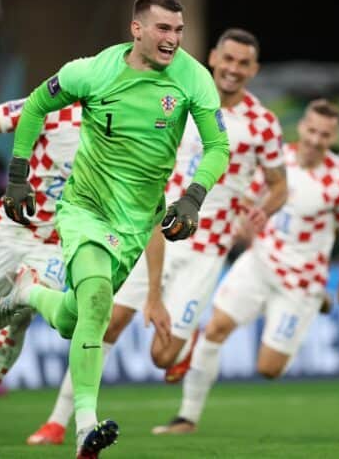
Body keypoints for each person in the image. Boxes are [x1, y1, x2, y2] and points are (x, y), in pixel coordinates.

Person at [0, 0, 230, 458]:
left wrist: (192, 197)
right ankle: (85, 429)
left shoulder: (194, 78)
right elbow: (35, 105)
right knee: (97, 302)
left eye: (179, 30)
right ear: (137, 29)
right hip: (85, 209)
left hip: (136, 223)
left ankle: (26, 292)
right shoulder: (92, 72)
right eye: (163, 28)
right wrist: (18, 176)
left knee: (72, 318)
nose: (173, 39)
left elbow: (218, 146)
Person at [26, 27, 288, 447]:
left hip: (205, 249)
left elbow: (279, 186)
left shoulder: (262, 124)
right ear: (213, 57)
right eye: (228, 59)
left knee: (162, 357)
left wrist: (261, 211)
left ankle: (189, 342)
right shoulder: (179, 91)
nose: (233, 69)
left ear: (253, 70)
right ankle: (58, 421)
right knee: (105, 320)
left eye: (244, 63)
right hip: (152, 230)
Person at [0, 99, 166, 447]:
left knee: (20, 319)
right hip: (11, 228)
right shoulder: (50, 108)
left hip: (59, 241)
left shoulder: (126, 130)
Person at [151, 99, 339, 435]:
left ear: (333, 137)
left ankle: (315, 299)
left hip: (300, 282)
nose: (314, 139)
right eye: (311, 130)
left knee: (269, 368)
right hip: (260, 263)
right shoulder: (278, 160)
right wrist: (243, 220)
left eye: (324, 135)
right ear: (302, 127)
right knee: (215, 329)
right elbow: (247, 198)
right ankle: (186, 418)